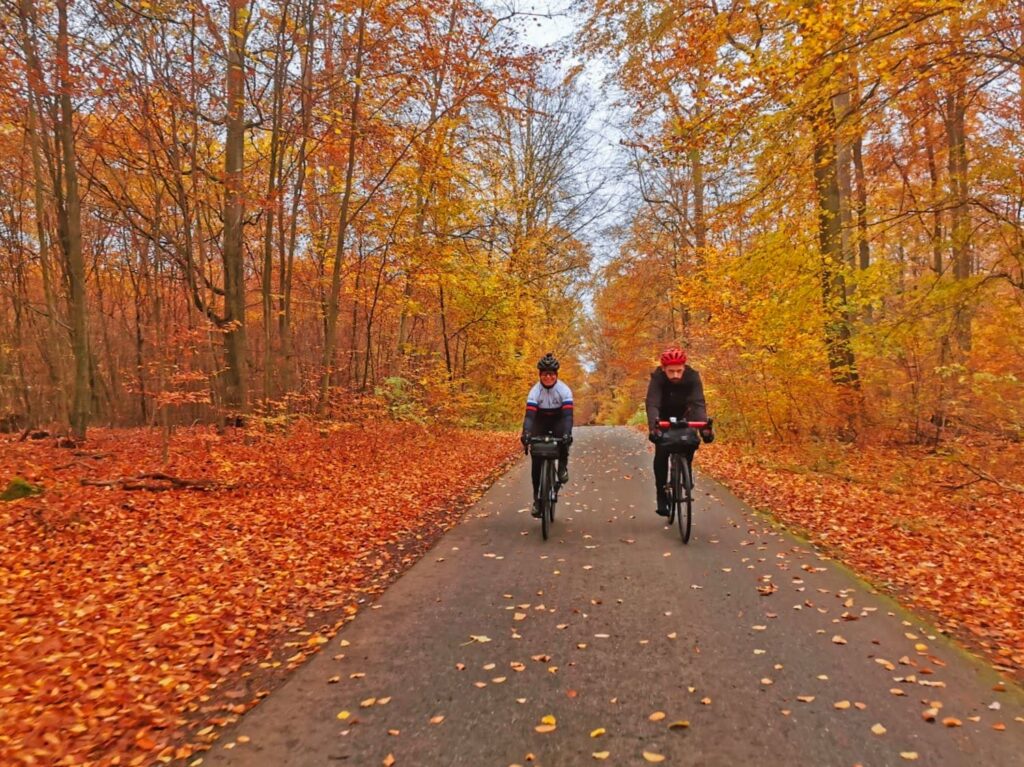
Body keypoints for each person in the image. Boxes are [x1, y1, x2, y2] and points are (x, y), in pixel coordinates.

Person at [645, 347, 714, 517]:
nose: (675, 375)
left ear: (684, 367)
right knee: (662, 451)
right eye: (671, 371)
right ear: (664, 369)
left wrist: (704, 427)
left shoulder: (692, 376)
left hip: (685, 413)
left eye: (679, 371)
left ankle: (686, 468)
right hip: (663, 414)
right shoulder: (658, 378)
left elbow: (698, 403)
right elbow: (652, 403)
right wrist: (654, 428)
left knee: (689, 440)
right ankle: (662, 495)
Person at [521, 353, 573, 517]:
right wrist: (526, 433)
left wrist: (567, 434)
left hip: (558, 419)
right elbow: (529, 417)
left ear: (556, 375)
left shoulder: (564, 390)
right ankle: (537, 499)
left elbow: (567, 417)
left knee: (563, 439)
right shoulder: (535, 391)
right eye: (545, 374)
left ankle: (562, 466)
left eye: (551, 374)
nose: (548, 377)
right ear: (540, 375)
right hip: (540, 420)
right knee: (536, 460)